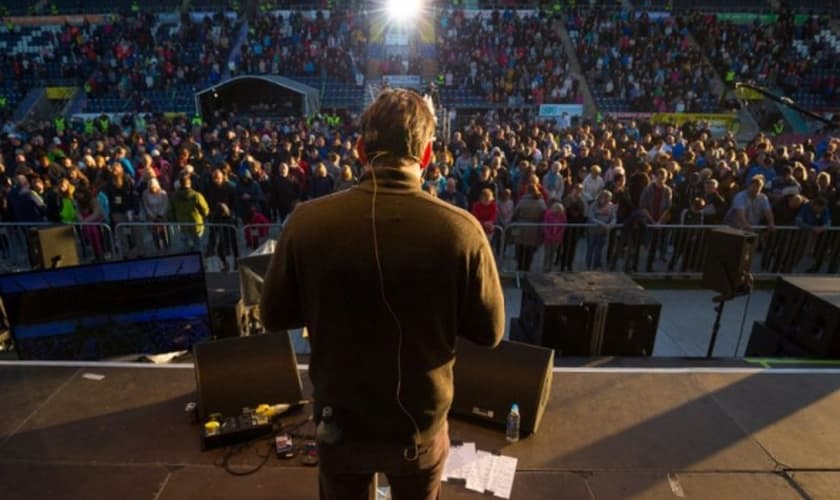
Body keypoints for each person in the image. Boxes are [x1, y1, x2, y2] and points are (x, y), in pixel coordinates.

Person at [260, 89, 504, 500]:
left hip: (340, 424)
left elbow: (272, 316)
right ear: (427, 155)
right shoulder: (462, 230)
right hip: (419, 429)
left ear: (359, 149)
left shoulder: (306, 222)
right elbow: (491, 332)